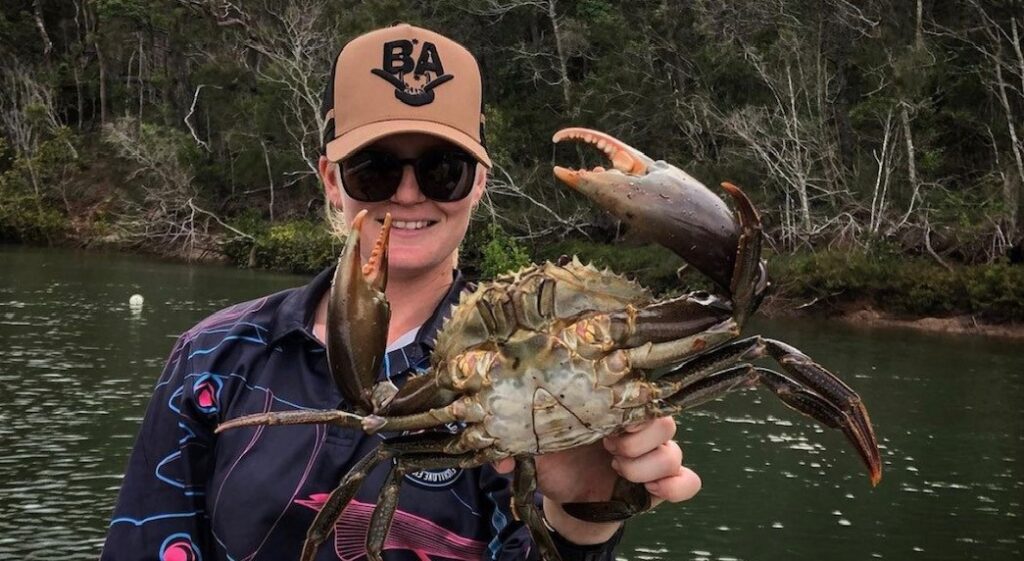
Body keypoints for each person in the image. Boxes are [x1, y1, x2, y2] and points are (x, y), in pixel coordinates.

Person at [102, 24, 701, 561]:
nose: (409, 195)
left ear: (480, 184)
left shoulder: (551, 371)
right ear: (332, 180)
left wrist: (583, 519)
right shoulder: (214, 357)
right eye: (375, 168)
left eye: (444, 168)